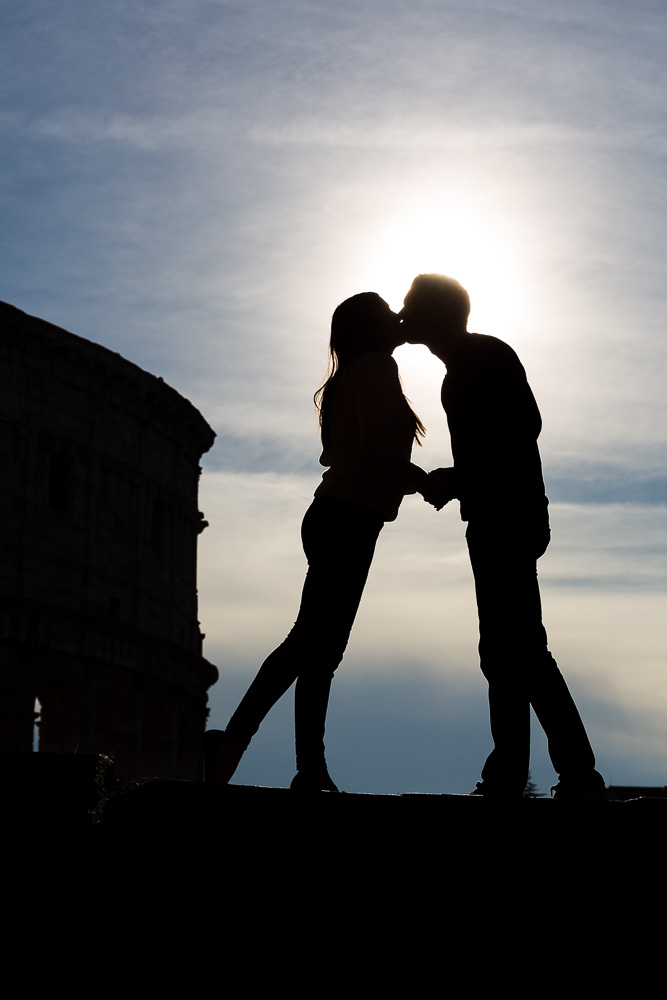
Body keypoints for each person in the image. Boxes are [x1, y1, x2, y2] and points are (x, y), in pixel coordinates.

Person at [204, 292, 429, 791]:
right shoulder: (375, 367)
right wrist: (425, 481)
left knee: (314, 647)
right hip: (348, 517)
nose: (397, 318)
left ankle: (294, 762)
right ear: (371, 328)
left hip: (339, 515)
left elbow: (348, 449)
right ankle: (266, 752)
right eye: (387, 313)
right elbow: (373, 450)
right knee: (314, 646)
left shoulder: (349, 373)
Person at [399, 273, 605, 800]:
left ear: (439, 314)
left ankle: (563, 773)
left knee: (520, 648)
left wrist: (459, 478)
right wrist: (459, 477)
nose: (403, 314)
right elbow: (502, 442)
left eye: (411, 306)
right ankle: (517, 770)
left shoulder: (482, 359)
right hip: (499, 514)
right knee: (506, 648)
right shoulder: (465, 368)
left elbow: (517, 432)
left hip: (506, 516)